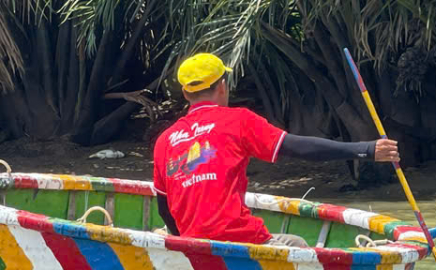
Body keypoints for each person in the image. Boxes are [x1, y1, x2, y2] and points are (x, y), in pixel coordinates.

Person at [153, 53, 399, 246]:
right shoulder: (237, 121)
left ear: (186, 93)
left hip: (191, 241)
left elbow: (164, 209)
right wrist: (365, 149)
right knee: (298, 244)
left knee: (290, 243)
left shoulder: (165, 140)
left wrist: (186, 243)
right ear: (223, 86)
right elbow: (299, 148)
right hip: (240, 238)